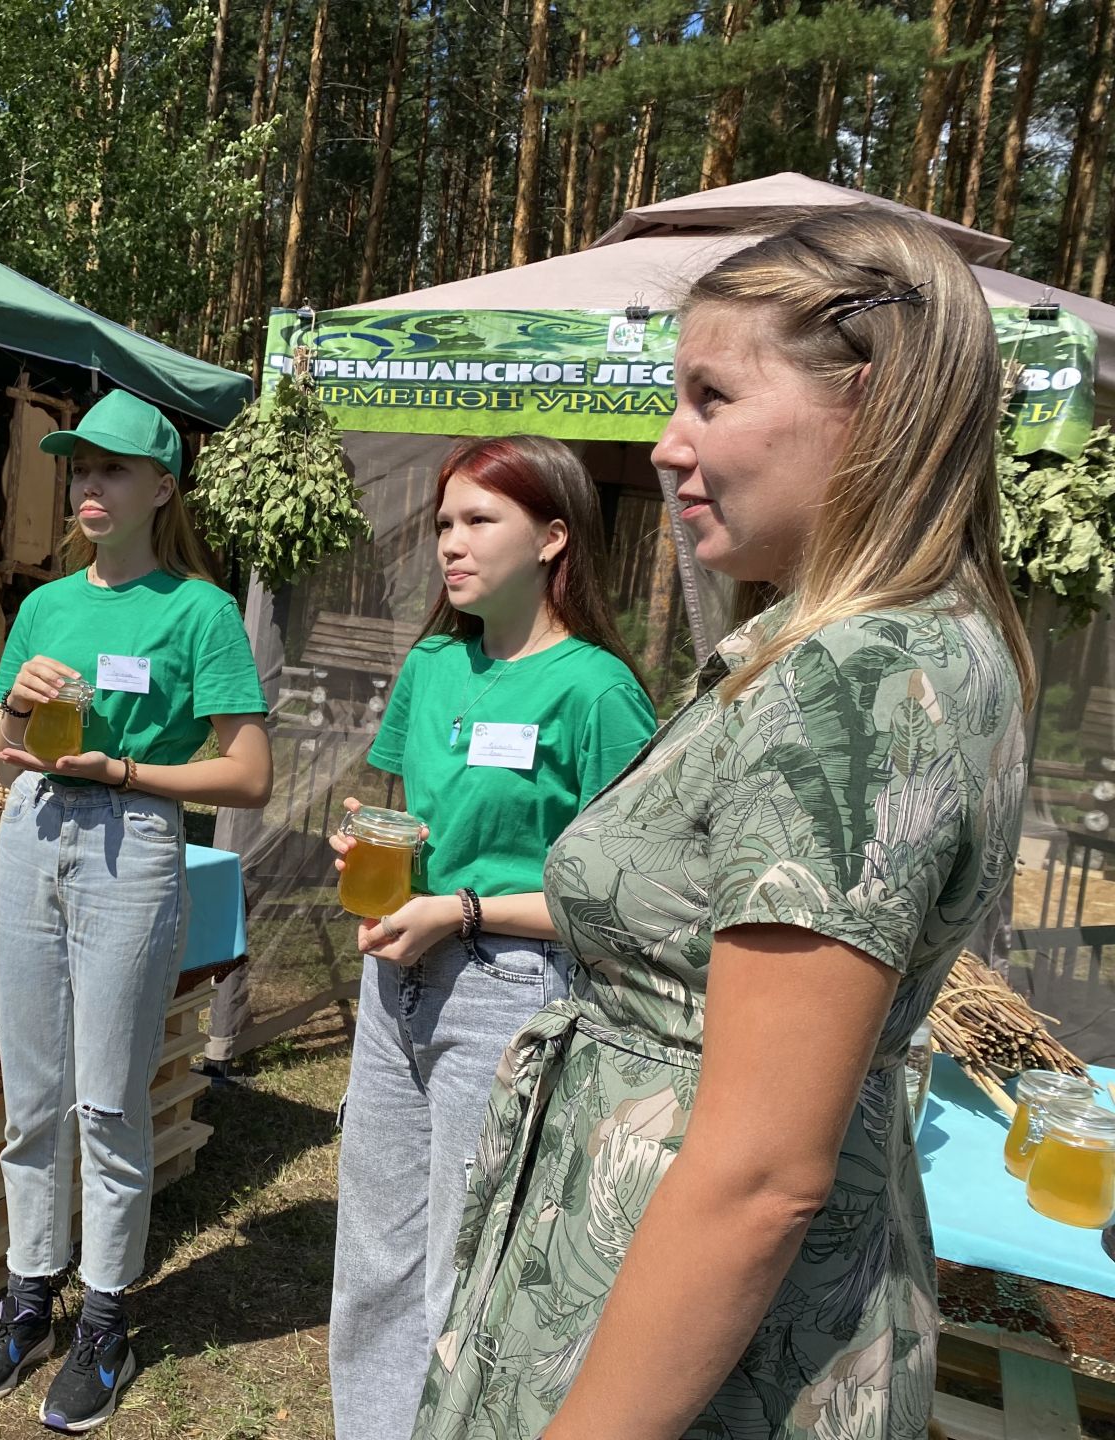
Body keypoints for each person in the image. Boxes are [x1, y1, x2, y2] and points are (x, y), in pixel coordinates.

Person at [413, 208, 1033, 1440]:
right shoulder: (888, 645)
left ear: (874, 402)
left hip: (687, 1360)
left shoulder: (861, 676)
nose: (666, 444)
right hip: (664, 1308)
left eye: (709, 395)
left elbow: (757, 1177)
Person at [0, 389, 272, 1432]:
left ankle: (108, 1319)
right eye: (80, 468)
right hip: (34, 830)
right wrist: (15, 705)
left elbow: (250, 774)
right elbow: (2, 744)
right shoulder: (44, 605)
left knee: (108, 1100)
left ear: (162, 487)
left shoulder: (199, 611)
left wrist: (126, 767)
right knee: (32, 1090)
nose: (90, 486)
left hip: (132, 843)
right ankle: (30, 1297)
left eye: (115, 470)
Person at [326, 436, 655, 1440]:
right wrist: (374, 854)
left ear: (555, 536)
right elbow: (420, 820)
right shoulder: (432, 665)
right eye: (441, 525)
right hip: (399, 983)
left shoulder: (598, 692)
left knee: (466, 1272)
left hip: (514, 992)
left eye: (479, 521)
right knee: (374, 1256)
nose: (449, 546)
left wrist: (463, 911)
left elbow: (628, 901)